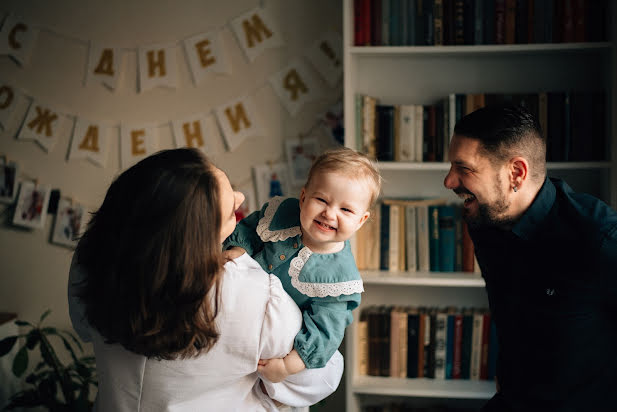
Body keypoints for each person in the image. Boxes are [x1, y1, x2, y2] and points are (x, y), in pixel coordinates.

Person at [68, 148, 343, 412]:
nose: (240, 197)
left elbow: (84, 328)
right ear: (197, 242)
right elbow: (320, 379)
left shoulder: (91, 260)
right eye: (228, 214)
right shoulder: (253, 295)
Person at [443, 104, 617, 412]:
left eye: (464, 169)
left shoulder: (598, 236)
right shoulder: (485, 222)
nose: (449, 182)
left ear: (516, 173)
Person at [224, 147, 382, 396]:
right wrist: (238, 248)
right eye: (322, 200)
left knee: (265, 389)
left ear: (361, 220)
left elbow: (325, 332)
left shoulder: (339, 276)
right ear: (303, 197)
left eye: (346, 210)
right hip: (238, 308)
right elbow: (250, 228)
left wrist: (287, 366)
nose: (330, 213)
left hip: (277, 342)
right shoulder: (283, 214)